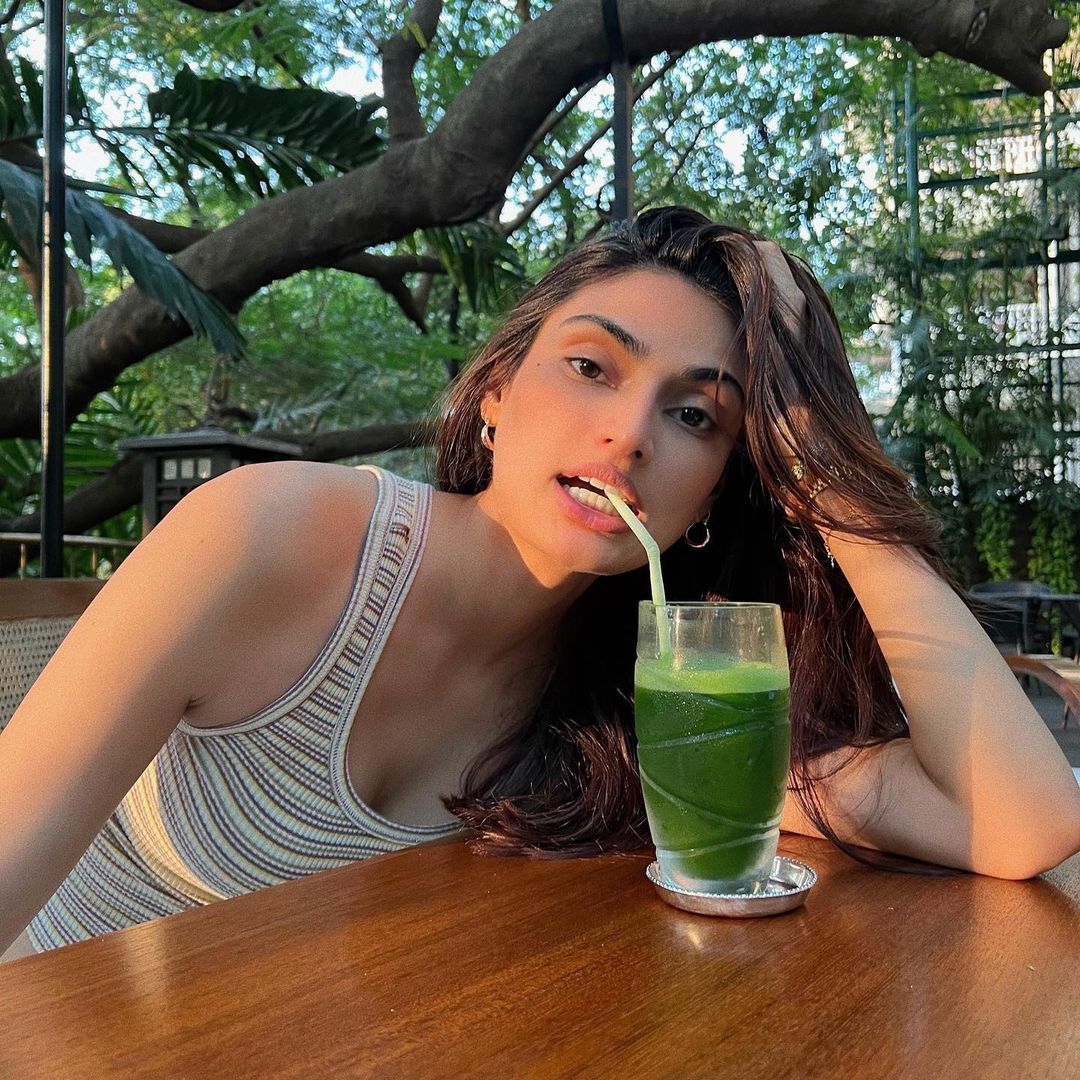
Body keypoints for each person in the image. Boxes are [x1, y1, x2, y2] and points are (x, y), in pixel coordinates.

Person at [2, 206, 1079, 961]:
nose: (629, 433)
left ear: (719, 490)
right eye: (591, 366)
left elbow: (1019, 822)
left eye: (697, 415)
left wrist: (828, 474)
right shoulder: (269, 537)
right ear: (495, 396)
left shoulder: (646, 709)